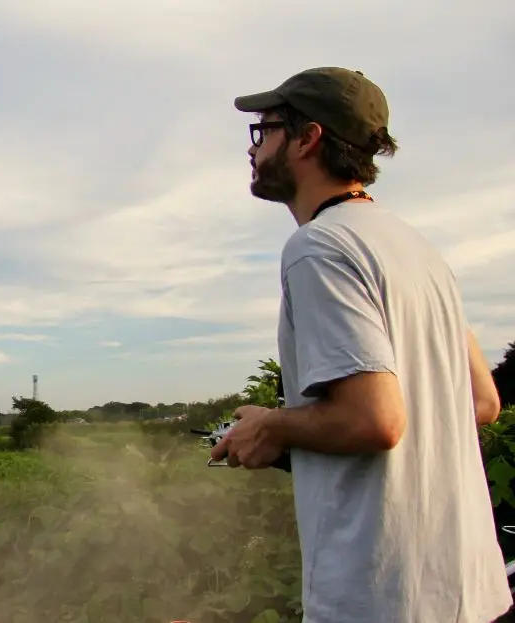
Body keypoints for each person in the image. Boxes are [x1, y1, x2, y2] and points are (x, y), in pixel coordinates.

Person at [210, 66, 511, 622]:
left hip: (381, 598)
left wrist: (271, 425)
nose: (254, 148)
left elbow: (374, 421)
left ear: (308, 138)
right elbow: (483, 403)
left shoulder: (319, 247)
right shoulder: (417, 250)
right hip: (473, 590)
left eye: (266, 130)